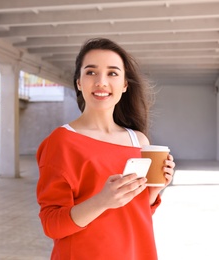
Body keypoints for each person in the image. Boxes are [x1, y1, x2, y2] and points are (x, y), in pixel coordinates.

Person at [36, 38, 176, 260]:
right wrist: (102, 201)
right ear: (79, 82)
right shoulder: (61, 142)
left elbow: (136, 213)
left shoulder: (138, 141)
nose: (101, 81)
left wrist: (155, 189)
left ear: (125, 84)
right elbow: (52, 225)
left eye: (112, 73)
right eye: (91, 72)